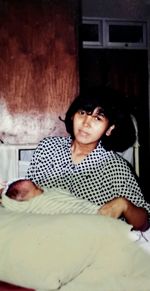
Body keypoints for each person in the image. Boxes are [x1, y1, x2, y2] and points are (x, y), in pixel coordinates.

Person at [26, 86, 150, 231]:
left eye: (97, 118)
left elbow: (144, 222)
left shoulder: (115, 167)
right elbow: (27, 198)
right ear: (73, 115)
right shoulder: (48, 148)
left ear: (110, 129)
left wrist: (124, 205)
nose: (86, 123)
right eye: (83, 112)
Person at [2, 179, 100, 215]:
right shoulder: (42, 203)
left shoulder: (46, 192)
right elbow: (10, 203)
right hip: (90, 214)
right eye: (35, 187)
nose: (39, 186)